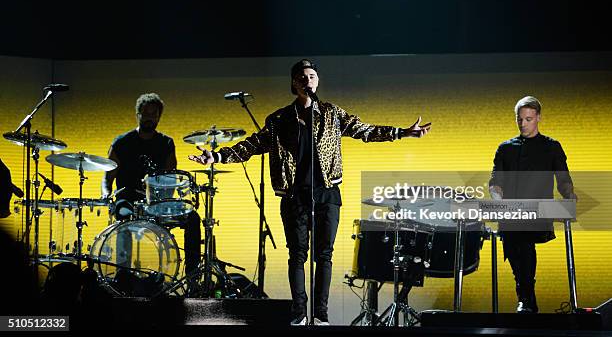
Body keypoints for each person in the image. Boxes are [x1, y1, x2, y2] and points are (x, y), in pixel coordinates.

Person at [189, 59, 431, 325]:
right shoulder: (279, 119)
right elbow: (252, 145)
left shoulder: (331, 113)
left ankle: (321, 315)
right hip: (294, 196)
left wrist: (401, 133)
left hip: (327, 193)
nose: (308, 81)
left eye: (313, 76)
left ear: (318, 81)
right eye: (303, 77)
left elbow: (365, 130)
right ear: (294, 83)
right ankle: (299, 314)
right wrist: (218, 157)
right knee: (298, 255)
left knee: (324, 255)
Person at [102, 93, 202, 293]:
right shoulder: (122, 142)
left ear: (159, 116)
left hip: (156, 202)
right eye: (145, 113)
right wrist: (107, 195)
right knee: (123, 214)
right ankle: (123, 276)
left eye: (153, 114)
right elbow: (107, 178)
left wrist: (162, 201)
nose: (149, 118)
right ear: (137, 114)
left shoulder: (166, 143)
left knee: (193, 218)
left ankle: (192, 278)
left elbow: (171, 177)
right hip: (128, 199)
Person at [489, 96, 576, 313]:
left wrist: (569, 196)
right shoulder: (505, 148)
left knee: (524, 242)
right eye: (520, 120)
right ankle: (527, 297)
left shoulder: (552, 146)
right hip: (511, 213)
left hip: (538, 211)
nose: (523, 124)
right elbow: (495, 181)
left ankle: (526, 299)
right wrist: (496, 197)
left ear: (538, 118)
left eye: (528, 119)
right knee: (512, 247)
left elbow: (563, 178)